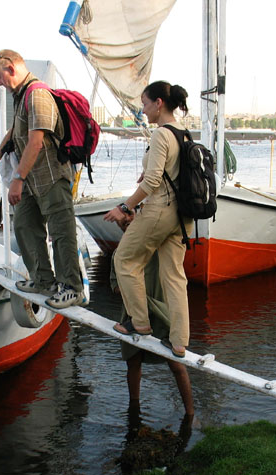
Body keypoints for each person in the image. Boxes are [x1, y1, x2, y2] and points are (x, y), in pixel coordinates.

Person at [0, 49, 84, 308]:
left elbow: (36, 141)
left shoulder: (37, 94)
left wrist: (17, 178)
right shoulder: (21, 96)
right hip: (32, 179)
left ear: (11, 69)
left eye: (0, 77)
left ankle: (72, 288)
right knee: (24, 224)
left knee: (61, 232)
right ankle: (44, 280)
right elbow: (16, 131)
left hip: (51, 176)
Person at [103, 81, 193, 359]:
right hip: (183, 216)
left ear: (158, 103)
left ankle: (139, 322)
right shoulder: (184, 135)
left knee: (125, 261)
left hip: (160, 210)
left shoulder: (161, 135)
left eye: (144, 104)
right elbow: (172, 172)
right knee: (174, 276)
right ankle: (179, 341)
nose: (143, 111)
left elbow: (154, 180)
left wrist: (125, 206)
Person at [110, 216, 194, 418]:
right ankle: (134, 409)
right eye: (124, 224)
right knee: (133, 362)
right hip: (133, 316)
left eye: (131, 220)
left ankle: (190, 413)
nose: (128, 225)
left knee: (176, 364)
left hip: (163, 311)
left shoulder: (157, 245)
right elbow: (114, 286)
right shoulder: (119, 254)